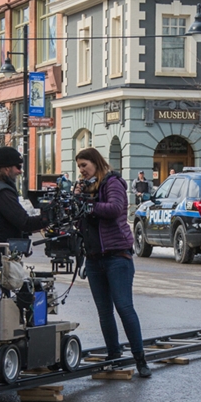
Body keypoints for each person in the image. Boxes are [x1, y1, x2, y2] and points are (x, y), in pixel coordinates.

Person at [75, 147, 151, 378]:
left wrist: (90, 205)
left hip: (117, 256)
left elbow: (117, 208)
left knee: (124, 307)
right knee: (104, 311)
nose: (82, 171)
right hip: (94, 258)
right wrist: (78, 198)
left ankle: (140, 359)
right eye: (79, 167)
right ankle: (113, 354)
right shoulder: (85, 187)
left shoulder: (112, 182)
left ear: (96, 163)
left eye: (84, 166)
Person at [0, 146, 46, 271]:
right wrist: (47, 219)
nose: (20, 171)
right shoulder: (2, 191)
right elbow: (24, 222)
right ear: (7, 168)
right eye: (18, 167)